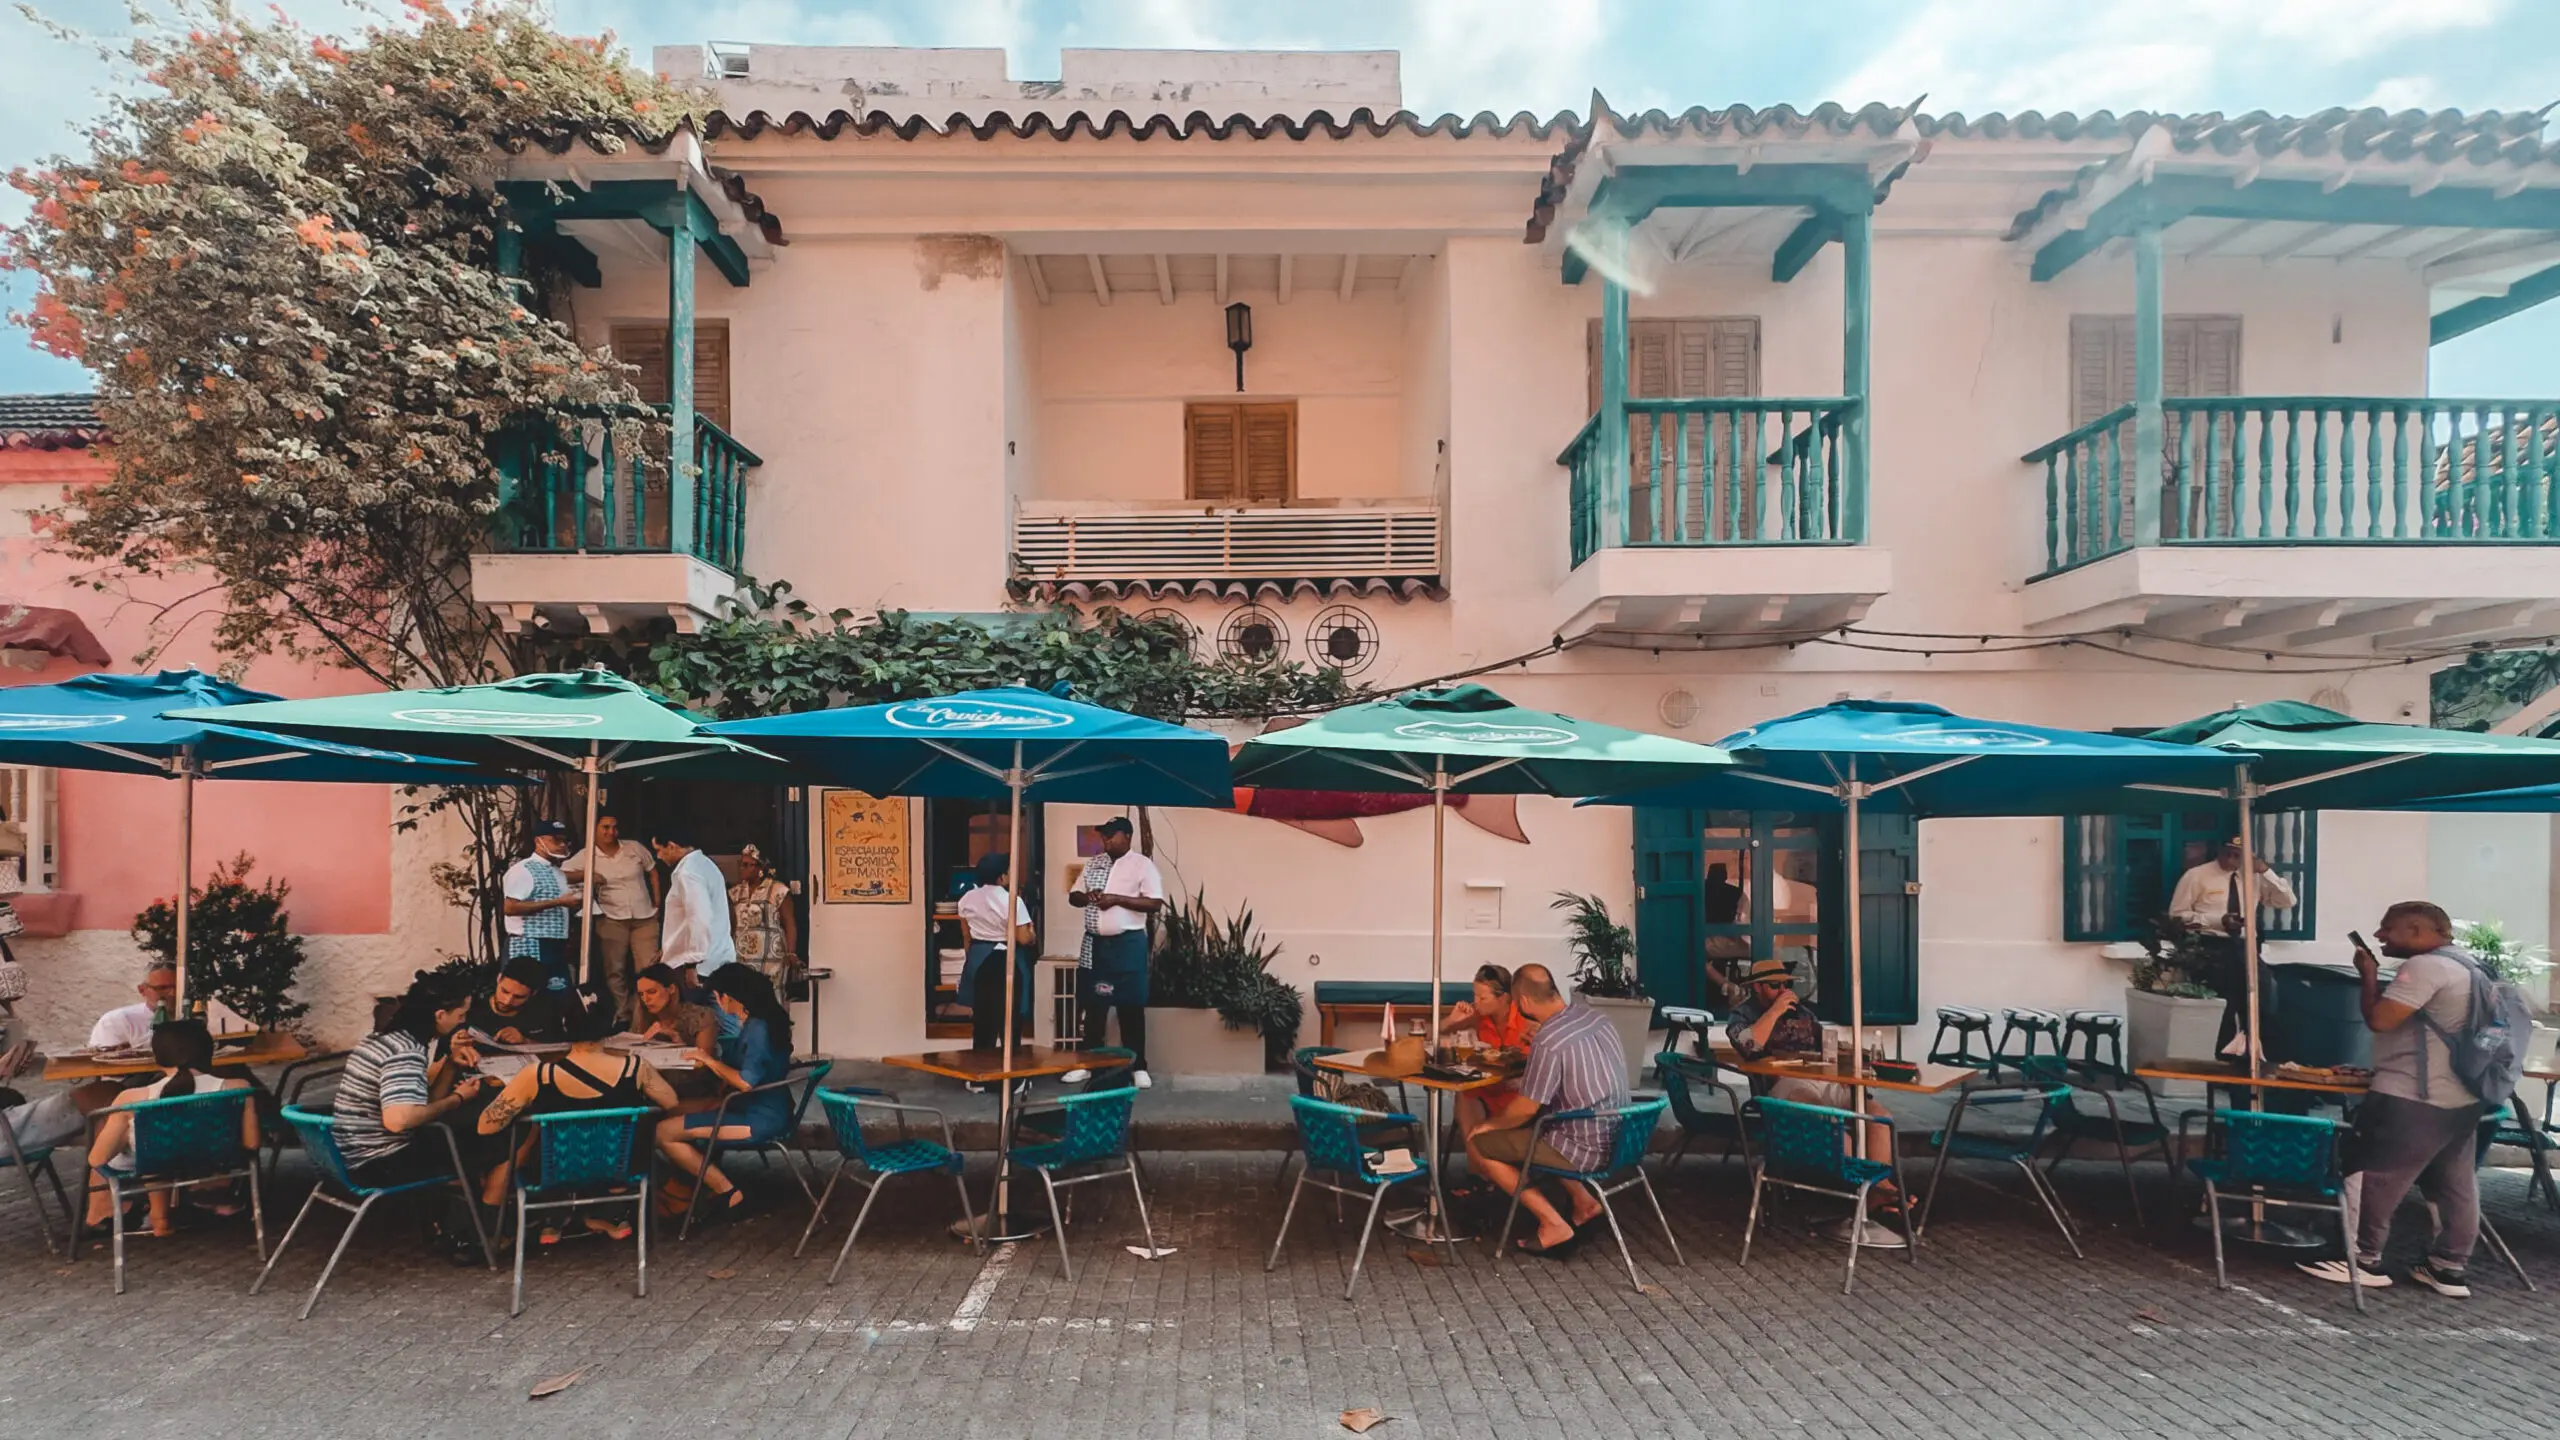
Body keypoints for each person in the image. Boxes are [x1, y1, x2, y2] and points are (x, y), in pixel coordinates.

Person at [2299, 901, 2491, 1297]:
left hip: (2413, 1094)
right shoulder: (2472, 967)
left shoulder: (2425, 967)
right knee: (2456, 1183)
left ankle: (2362, 1258)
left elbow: (2381, 1020)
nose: (2380, 936)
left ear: (2419, 930)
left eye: (2388, 929)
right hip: (2463, 1096)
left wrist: (2368, 976)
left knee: (2371, 1173)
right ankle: (2449, 1267)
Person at [474, 994, 678, 1235]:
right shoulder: (635, 1068)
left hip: (553, 1170)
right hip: (621, 1166)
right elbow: (671, 1101)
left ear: (564, 1026)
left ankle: (545, 1220)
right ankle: (602, 1215)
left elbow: (485, 1126)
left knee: (520, 1143)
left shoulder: (537, 1075)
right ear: (609, 1026)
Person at [1463, 964, 1627, 1257]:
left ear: (1523, 1002)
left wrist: (1489, 1125)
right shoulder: (1594, 1017)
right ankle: (1584, 1203)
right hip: (1622, 1134)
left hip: (1583, 1147)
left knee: (1481, 1144)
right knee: (1543, 1120)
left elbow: (1525, 1109)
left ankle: (1552, 1223)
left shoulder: (1549, 1039)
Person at [1725, 958, 1898, 1191]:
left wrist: (1845, 1071)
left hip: (1823, 1080)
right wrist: (1775, 1011)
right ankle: (1866, 1192)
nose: (1783, 991)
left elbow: (1827, 1046)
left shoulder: (1803, 1012)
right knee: (1834, 1129)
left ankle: (1881, 1189)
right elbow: (1748, 1045)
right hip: (1785, 1086)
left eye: (1787, 985)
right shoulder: (1743, 1014)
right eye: (1775, 986)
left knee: (1880, 1119)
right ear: (1757, 987)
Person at [80, 1018, 257, 1235]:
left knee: (153, 1143)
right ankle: (170, 1211)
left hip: (152, 1159)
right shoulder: (239, 1088)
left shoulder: (131, 1098)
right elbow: (252, 1143)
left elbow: (97, 1159)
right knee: (166, 1142)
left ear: (158, 1058)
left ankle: (159, 1216)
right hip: (214, 1156)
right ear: (209, 1053)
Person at [653, 964, 794, 1223]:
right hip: (759, 1106)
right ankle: (689, 1183)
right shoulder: (760, 1022)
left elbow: (745, 1082)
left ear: (728, 997)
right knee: (670, 1110)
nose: (717, 1004)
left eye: (717, 997)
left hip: (758, 1117)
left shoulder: (757, 1029)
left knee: (663, 1132)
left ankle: (726, 1190)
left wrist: (707, 1060)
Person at [333, 973, 496, 1191]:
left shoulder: (381, 1040)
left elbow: (420, 1105)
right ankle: (479, 1217)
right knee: (494, 1146)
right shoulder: (405, 1052)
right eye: (460, 1015)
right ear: (439, 1015)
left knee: (465, 1141)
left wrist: (450, 1064)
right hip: (378, 1163)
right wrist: (457, 1099)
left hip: (350, 1156)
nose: (463, 1022)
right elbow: (399, 1121)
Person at [2169, 836, 2299, 1050]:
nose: (2230, 858)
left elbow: (2288, 901)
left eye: (2237, 855)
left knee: (2262, 1003)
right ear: (2218, 850)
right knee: (2223, 1008)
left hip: (2246, 946)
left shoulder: (2254, 877)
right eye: (2226, 852)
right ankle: (2222, 1062)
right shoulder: (2197, 876)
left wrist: (2266, 871)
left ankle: (2259, 1057)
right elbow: (2177, 915)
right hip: (2212, 946)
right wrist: (2216, 921)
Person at [1070, 817, 1164, 1087]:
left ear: (1128, 836)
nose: (1107, 840)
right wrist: (1088, 897)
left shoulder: (1142, 865)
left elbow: (1155, 903)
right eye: (1104, 836)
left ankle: (1138, 1067)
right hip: (1094, 946)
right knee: (1094, 1007)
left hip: (1127, 945)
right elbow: (1074, 895)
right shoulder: (1094, 863)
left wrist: (1116, 899)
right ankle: (1088, 1064)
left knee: (1131, 1006)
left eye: (1112, 835)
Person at [563, 813, 660, 1023]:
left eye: (614, 827)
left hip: (644, 917)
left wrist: (658, 902)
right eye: (605, 827)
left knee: (648, 970)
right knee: (614, 970)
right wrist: (587, 875)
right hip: (612, 917)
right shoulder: (587, 855)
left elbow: (652, 871)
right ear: (595, 829)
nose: (611, 832)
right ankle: (623, 1014)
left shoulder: (634, 848)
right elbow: (561, 873)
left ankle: (645, 1017)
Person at [958, 852, 1038, 1053]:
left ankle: (979, 1076)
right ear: (1001, 876)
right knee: (1009, 1018)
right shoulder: (1012, 900)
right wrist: (1031, 932)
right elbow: (1022, 938)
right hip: (1006, 957)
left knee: (983, 1019)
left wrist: (973, 958)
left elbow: (966, 935)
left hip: (978, 955)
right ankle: (1011, 1077)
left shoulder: (967, 898)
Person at [1438, 963, 1532, 1133]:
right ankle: (1474, 1151)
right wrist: (1452, 1020)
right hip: (1488, 1089)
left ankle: (1483, 1150)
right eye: (1474, 996)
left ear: (1503, 998)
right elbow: (1435, 1033)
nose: (1476, 1002)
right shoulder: (1478, 1016)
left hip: (1518, 1094)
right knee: (1465, 1094)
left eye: (1483, 998)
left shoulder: (1527, 1020)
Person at [502, 820, 582, 997]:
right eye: (556, 840)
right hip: (530, 942)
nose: (562, 845)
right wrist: (557, 902)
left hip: (555, 944)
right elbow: (510, 907)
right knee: (526, 995)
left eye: (564, 841)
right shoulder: (523, 870)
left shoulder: (556, 872)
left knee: (557, 995)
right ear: (539, 841)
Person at [655, 824, 736, 987]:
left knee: (697, 1011)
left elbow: (700, 917)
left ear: (671, 847)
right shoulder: (706, 865)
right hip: (718, 957)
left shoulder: (688, 873)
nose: (658, 856)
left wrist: (692, 963)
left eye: (659, 850)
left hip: (697, 967)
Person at [728, 843, 799, 990]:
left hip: (771, 957)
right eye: (741, 864)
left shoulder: (778, 890)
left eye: (748, 865)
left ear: (760, 868)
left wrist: (791, 953)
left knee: (770, 996)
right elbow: (731, 925)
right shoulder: (735, 893)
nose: (742, 868)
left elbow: (789, 923)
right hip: (741, 957)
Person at [467, 957, 567, 1046]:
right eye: (504, 991)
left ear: (533, 993)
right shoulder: (473, 1005)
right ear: (499, 978)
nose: (507, 1001)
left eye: (519, 997)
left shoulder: (544, 1010)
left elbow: (560, 1047)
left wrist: (525, 1041)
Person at [88, 962, 178, 1051]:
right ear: (142, 990)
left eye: (178, 988)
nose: (173, 993)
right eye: (162, 988)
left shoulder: (188, 1018)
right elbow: (104, 1061)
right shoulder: (117, 1021)